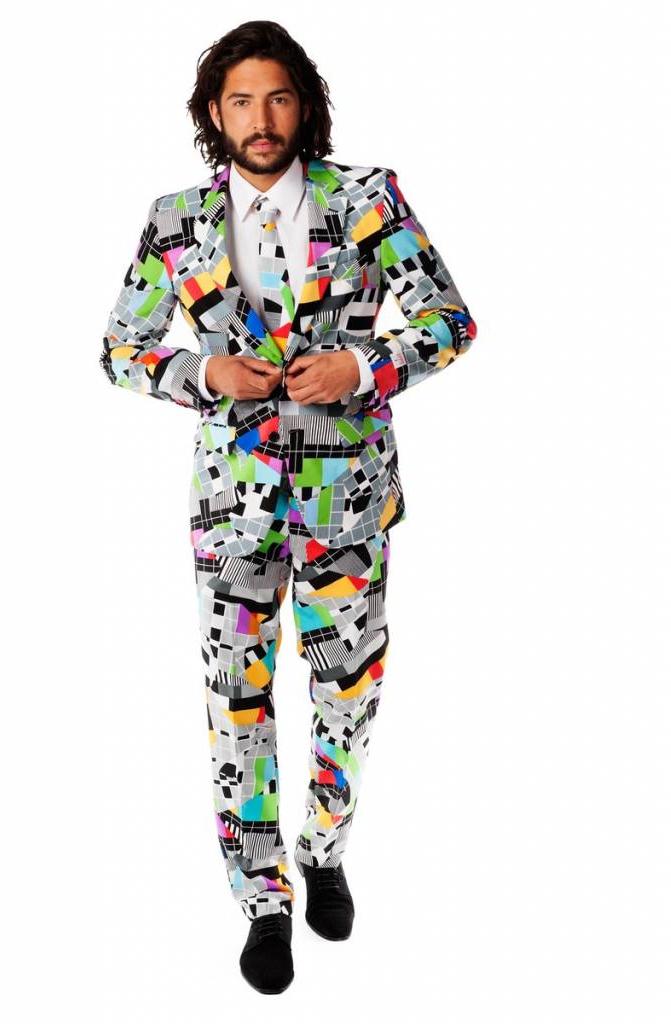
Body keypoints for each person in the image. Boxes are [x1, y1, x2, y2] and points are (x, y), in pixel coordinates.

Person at [100, 19, 476, 995]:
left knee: (348, 688)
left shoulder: (367, 199)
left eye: (277, 97)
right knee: (238, 697)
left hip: (346, 500)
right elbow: (120, 348)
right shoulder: (175, 219)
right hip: (232, 507)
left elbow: (448, 320)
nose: (259, 119)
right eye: (240, 101)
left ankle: (324, 847)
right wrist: (202, 374)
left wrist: (363, 364)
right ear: (213, 113)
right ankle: (262, 898)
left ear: (304, 106)